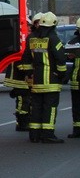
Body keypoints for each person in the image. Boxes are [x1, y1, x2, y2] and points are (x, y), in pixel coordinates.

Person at [18, 12, 67, 143]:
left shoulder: (31, 38)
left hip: (36, 80)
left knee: (36, 107)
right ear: (53, 25)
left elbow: (26, 58)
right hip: (51, 81)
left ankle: (34, 135)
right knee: (49, 108)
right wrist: (62, 74)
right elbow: (61, 58)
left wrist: (29, 73)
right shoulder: (53, 38)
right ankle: (48, 134)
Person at [5, 12, 44, 132]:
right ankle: (22, 123)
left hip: (25, 73)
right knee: (24, 99)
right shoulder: (27, 37)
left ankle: (24, 121)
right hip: (20, 74)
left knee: (27, 99)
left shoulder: (31, 36)